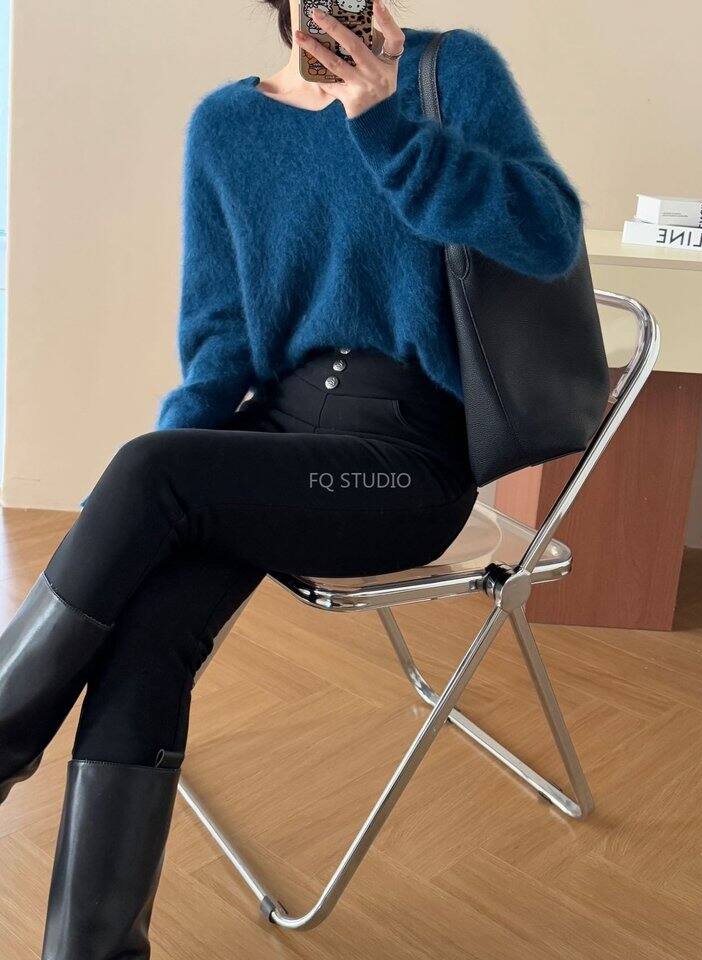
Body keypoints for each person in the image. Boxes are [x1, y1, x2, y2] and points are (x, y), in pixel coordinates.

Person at [0, 1, 584, 956]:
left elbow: (547, 235)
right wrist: (147, 514)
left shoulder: (449, 75)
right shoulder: (226, 126)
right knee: (147, 627)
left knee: (149, 471)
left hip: (404, 465)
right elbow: (220, 340)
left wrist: (388, 124)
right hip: (273, 438)